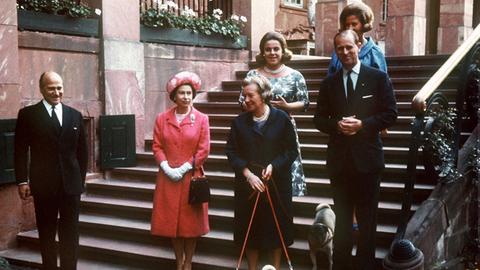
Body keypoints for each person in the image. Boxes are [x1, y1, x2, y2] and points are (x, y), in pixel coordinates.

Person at [313, 30, 397, 269]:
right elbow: (319, 120)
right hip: (340, 164)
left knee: (367, 224)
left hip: (368, 162)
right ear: (336, 51)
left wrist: (364, 125)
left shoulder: (377, 78)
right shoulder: (329, 83)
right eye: (340, 48)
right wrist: (336, 125)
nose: (345, 52)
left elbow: (391, 114)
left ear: (359, 45)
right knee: (342, 226)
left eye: (349, 47)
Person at [14, 71, 88, 270]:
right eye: (51, 88)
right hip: (43, 185)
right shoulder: (28, 115)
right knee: (46, 232)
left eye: (59, 87)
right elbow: (20, 150)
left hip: (70, 186)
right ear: (41, 89)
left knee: (70, 233)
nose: (57, 92)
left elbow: (82, 152)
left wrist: (80, 180)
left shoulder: (75, 115)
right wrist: (22, 181)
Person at [226, 75, 298, 270]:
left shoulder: (281, 119)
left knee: (275, 229)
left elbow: (291, 150)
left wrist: (275, 165)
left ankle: (274, 267)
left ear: (263, 95)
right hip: (247, 183)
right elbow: (231, 151)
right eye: (244, 96)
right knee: (250, 230)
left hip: (276, 182)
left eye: (250, 95)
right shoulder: (239, 122)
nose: (245, 100)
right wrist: (247, 173)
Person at [150, 71, 210, 270]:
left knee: (190, 224)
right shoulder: (162, 118)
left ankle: (188, 262)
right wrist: (166, 167)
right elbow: (157, 146)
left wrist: (185, 167)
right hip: (168, 178)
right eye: (182, 93)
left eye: (189, 93)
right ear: (174, 96)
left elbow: (204, 149)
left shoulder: (201, 119)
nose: (186, 97)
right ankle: (178, 262)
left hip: (191, 177)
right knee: (172, 224)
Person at [239, 31, 309, 196]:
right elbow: (242, 101)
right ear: (263, 52)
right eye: (268, 49)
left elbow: (305, 103)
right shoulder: (253, 75)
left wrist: (288, 106)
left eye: (276, 49)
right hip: (256, 128)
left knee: (280, 168)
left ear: (283, 51)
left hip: (283, 128)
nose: (272, 53)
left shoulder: (295, 76)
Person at [327, 1, 387, 77]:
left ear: (364, 24)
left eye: (354, 24)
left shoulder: (374, 52)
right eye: (347, 25)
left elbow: (382, 83)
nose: (350, 28)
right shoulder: (339, 52)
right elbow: (330, 80)